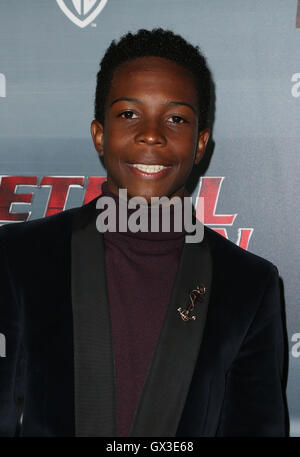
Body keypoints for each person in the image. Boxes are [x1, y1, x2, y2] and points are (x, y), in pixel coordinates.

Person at [0, 28, 289, 437]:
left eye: (176, 118)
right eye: (129, 114)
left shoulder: (249, 284)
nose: (151, 134)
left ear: (200, 144)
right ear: (100, 134)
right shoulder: (19, 258)